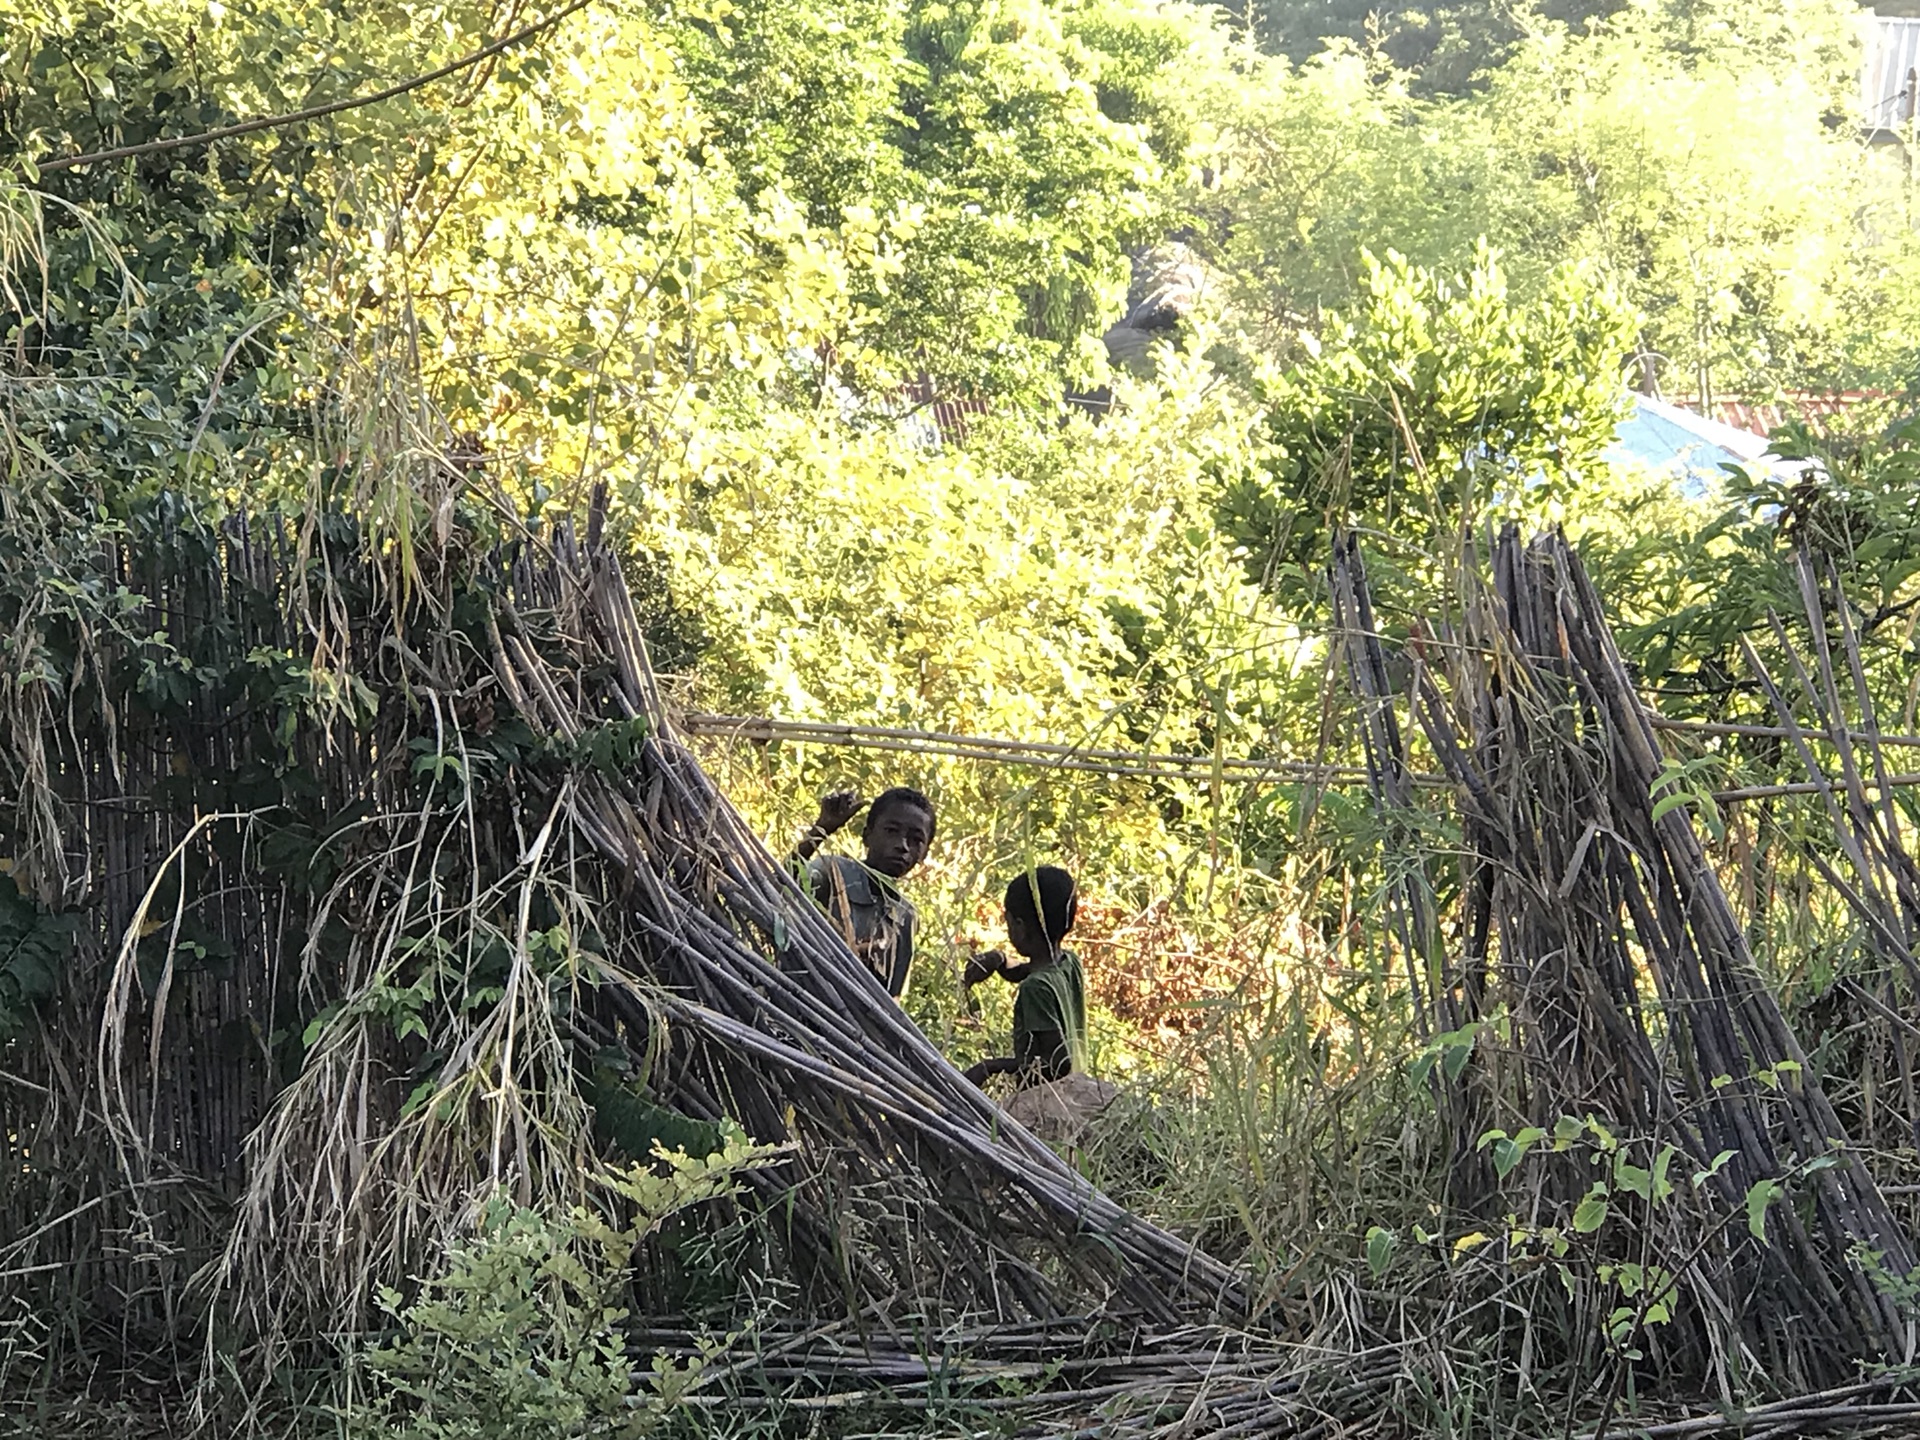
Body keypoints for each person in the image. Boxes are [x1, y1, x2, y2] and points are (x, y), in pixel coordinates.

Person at [793, 785, 936, 999]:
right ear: (867, 835)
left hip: (852, 1027)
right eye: (891, 831)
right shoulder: (833, 872)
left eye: (916, 840)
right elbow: (783, 884)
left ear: (924, 853)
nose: (903, 846)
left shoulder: (905, 916)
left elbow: (892, 997)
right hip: (802, 1005)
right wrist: (820, 830)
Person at [962, 865, 1086, 1088]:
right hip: (1076, 1089)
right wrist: (999, 959)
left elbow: (1057, 1064)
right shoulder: (1068, 962)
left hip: (1047, 1100)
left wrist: (990, 1067)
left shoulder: (1034, 989)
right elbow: (1027, 971)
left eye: (1008, 922)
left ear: (1019, 926)